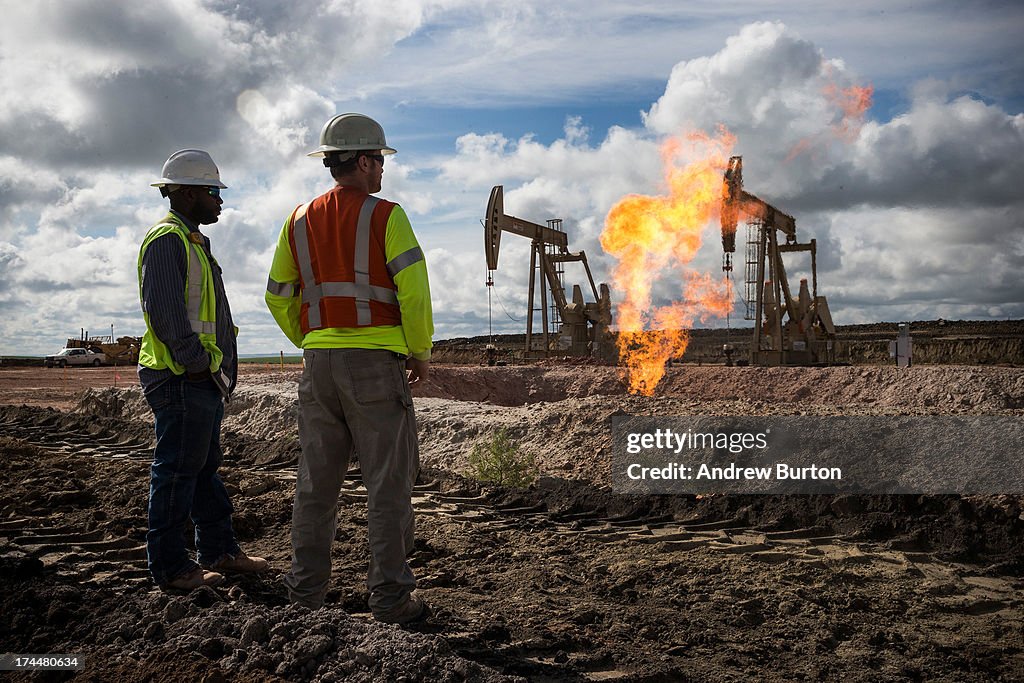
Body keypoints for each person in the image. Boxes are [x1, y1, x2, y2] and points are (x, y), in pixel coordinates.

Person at [265, 114, 433, 624]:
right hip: (376, 367)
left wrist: (312, 339)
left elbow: (277, 295)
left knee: (316, 485)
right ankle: (390, 600)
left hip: (318, 367)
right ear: (362, 161)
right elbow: (414, 291)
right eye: (379, 159)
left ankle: (304, 596)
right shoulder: (387, 216)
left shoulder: (297, 220)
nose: (382, 168)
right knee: (387, 484)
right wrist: (418, 351)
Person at [139, 149, 269, 591]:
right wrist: (197, 367)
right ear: (189, 192)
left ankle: (219, 551)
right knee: (177, 471)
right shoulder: (167, 240)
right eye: (213, 191)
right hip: (180, 378)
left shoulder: (193, 241)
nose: (220, 200)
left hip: (200, 380)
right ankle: (172, 567)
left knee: (202, 468)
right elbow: (166, 312)